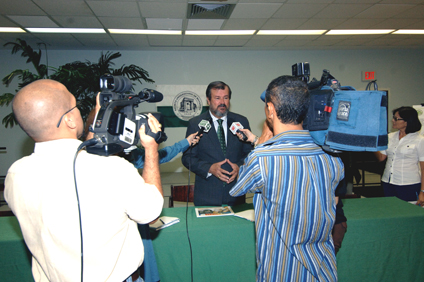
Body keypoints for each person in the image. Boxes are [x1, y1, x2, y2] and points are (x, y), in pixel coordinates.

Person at [5, 79, 164, 282]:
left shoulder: (16, 174)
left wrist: (99, 117)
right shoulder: (112, 169)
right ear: (70, 120)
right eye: (76, 107)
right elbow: (150, 214)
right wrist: (151, 149)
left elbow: (74, 159)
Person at [230, 75, 344, 281]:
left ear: (270, 109)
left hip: (280, 269)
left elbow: (238, 188)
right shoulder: (331, 155)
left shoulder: (262, 157)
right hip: (323, 269)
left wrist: (261, 142)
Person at [181, 81, 253, 206]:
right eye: (217, 98)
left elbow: (250, 154)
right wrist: (209, 168)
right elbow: (188, 158)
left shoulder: (241, 121)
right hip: (207, 196)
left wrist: (240, 167)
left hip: (236, 195)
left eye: (226, 98)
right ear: (208, 100)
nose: (222, 102)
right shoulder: (195, 124)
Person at [375, 106, 424, 204]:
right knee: (391, 211)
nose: (393, 120)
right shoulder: (390, 137)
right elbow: (381, 157)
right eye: (393, 118)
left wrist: (422, 192)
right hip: (388, 182)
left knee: (408, 214)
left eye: (396, 119)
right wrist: (373, 146)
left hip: (409, 184)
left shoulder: (420, 140)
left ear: (407, 121)